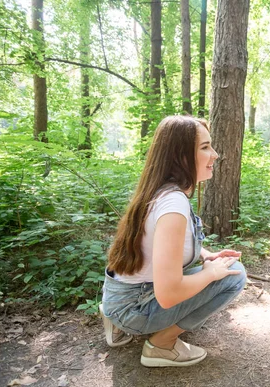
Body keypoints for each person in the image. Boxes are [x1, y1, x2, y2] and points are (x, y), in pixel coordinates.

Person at [100, 115, 247, 368]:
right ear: (180, 156)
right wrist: (211, 274)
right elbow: (168, 296)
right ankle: (161, 346)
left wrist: (206, 256)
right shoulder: (173, 205)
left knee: (221, 266)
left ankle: (113, 317)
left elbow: (162, 247)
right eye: (205, 147)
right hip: (134, 307)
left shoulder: (161, 192)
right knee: (235, 273)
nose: (215, 154)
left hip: (121, 295)